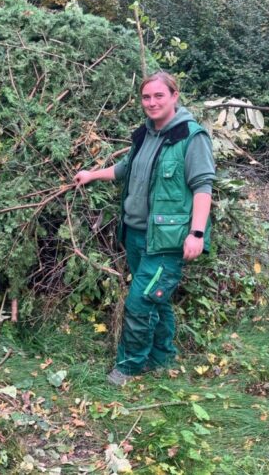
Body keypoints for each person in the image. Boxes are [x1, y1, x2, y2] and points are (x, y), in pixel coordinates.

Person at [73, 71, 215, 386]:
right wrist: (92, 175)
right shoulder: (145, 134)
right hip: (137, 235)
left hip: (167, 240)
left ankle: (129, 367)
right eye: (146, 97)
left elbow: (203, 188)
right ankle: (162, 357)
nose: (151, 103)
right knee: (155, 299)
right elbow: (126, 169)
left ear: (174, 96)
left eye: (158, 96)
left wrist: (197, 233)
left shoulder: (191, 137)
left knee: (139, 302)